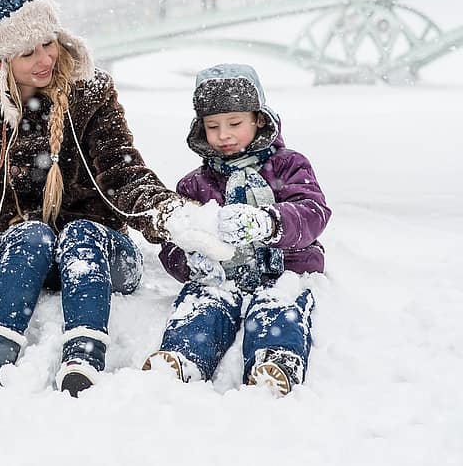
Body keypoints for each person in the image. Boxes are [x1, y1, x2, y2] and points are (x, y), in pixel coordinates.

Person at [0, 0, 197, 397]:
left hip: (100, 254)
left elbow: (122, 171)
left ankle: (83, 356)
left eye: (48, 43)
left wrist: (167, 212)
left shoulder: (90, 92)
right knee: (30, 234)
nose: (45, 59)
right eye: (27, 53)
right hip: (25, 257)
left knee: (81, 234)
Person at [142, 63, 331, 396]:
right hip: (222, 277)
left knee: (277, 306)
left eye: (234, 123)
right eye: (213, 126)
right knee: (202, 304)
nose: (223, 135)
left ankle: (275, 360)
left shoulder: (288, 166)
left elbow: (312, 212)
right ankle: (183, 356)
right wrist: (190, 261)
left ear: (259, 119)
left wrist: (269, 222)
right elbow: (174, 242)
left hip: (284, 271)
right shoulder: (194, 185)